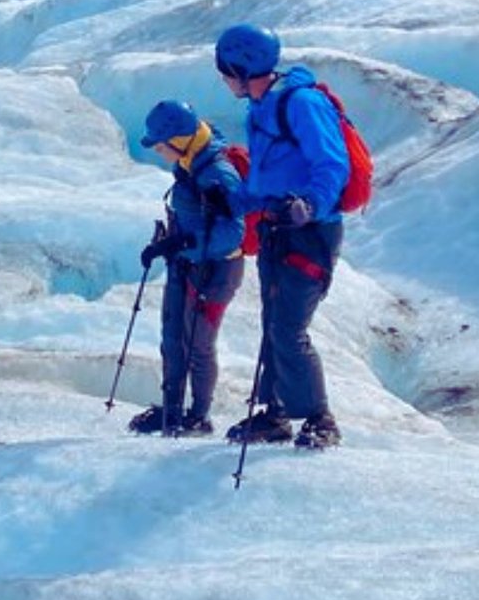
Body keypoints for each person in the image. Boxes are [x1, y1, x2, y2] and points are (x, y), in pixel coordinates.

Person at [214, 23, 346, 449]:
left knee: (289, 327)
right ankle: (276, 414)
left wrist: (309, 205)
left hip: (310, 233)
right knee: (274, 323)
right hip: (277, 229)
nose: (223, 79)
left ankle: (319, 419)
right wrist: (233, 204)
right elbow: (263, 182)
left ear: (241, 66)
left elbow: (332, 165)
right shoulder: (261, 107)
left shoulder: (301, 104)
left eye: (225, 70)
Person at [130, 100, 247, 437]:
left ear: (178, 139)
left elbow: (232, 232)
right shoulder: (190, 163)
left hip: (215, 271)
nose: (158, 151)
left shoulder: (216, 173)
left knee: (198, 343)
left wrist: (184, 244)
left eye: (160, 145)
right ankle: (172, 410)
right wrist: (170, 242)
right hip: (187, 265)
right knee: (173, 337)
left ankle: (199, 416)